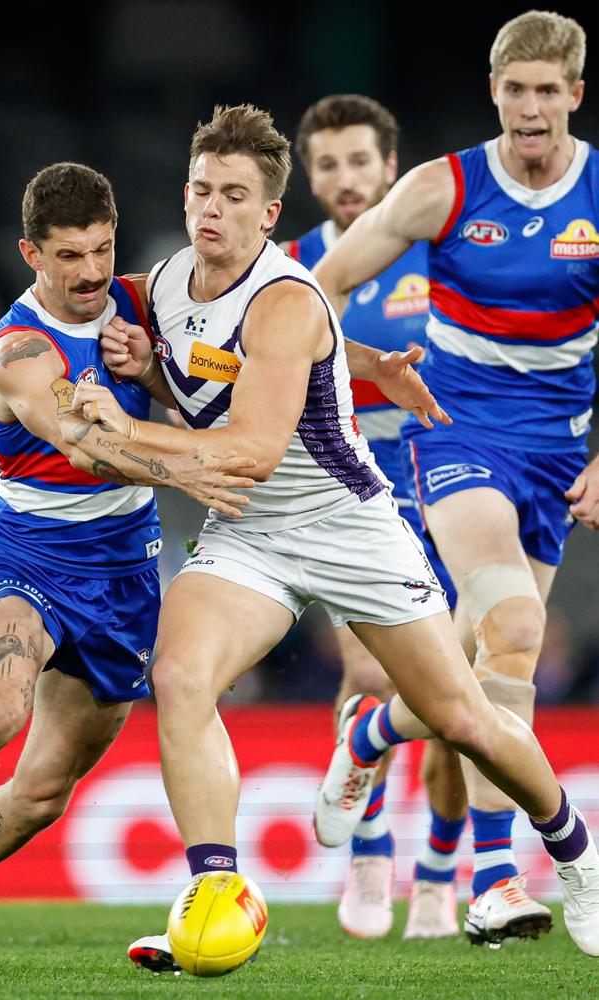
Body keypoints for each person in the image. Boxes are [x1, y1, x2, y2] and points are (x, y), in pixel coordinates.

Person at [64, 104, 599, 967]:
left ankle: (576, 856)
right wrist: (149, 374)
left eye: (235, 195)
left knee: (461, 714)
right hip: (250, 534)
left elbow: (251, 446)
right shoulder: (166, 282)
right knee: (179, 672)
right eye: (201, 188)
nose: (212, 208)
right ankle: (215, 896)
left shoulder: (284, 296)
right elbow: (204, 385)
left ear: (270, 214)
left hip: (348, 526)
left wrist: (117, 433)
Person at [313, 9, 599, 944]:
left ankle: (371, 736)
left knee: (486, 671)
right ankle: (497, 877)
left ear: (574, 96)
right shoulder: (444, 188)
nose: (529, 108)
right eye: (514, 89)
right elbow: (319, 284)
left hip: (560, 449)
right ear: (494, 92)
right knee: (515, 626)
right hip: (458, 433)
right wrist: (333, 367)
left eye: (546, 91)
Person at [0, 162, 255, 895]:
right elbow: (85, 448)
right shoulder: (19, 352)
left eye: (101, 249)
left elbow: (222, 381)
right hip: (32, 555)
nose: (90, 273)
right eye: (68, 255)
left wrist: (156, 371)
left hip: (124, 574)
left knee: (43, 794)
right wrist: (185, 472)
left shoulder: (145, 303)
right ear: (31, 255)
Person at [283, 94, 468, 940]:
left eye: (361, 161)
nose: (347, 179)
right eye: (328, 165)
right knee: (369, 680)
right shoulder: (289, 271)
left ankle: (439, 868)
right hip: (355, 503)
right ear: (310, 178)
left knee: (462, 704)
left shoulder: (442, 254)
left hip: (453, 493)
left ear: (392, 168)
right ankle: (367, 852)